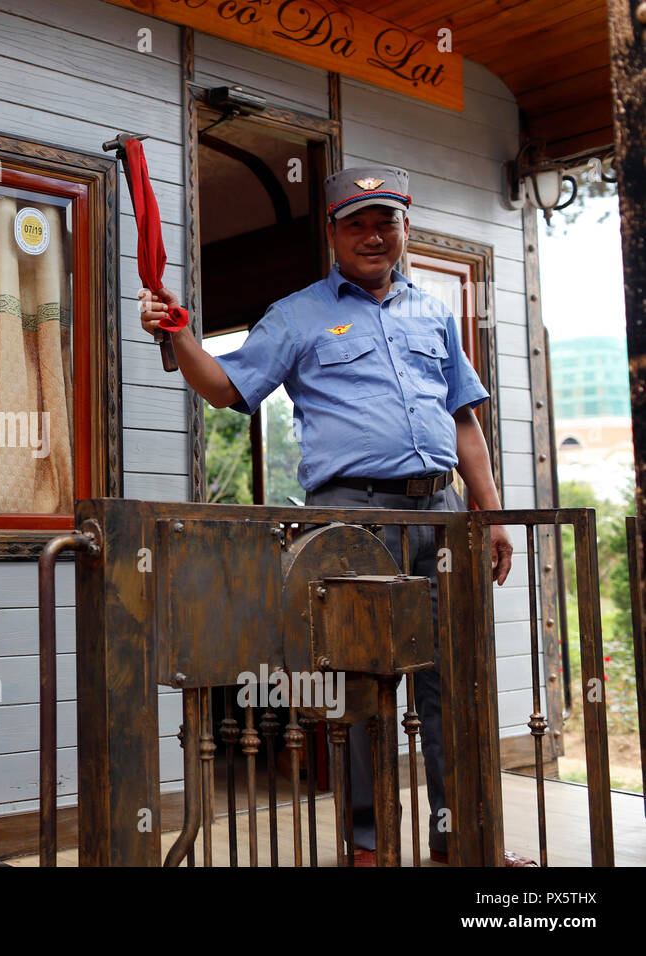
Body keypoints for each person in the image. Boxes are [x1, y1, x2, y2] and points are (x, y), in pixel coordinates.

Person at [140, 164, 534, 867]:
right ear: (331, 234)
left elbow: (465, 421)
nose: (374, 235)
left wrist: (492, 514)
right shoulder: (298, 313)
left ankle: (462, 842)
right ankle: (370, 844)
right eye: (357, 223)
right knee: (361, 687)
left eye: (386, 221)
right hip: (354, 520)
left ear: (405, 228)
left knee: (452, 684)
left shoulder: (434, 313)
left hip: (442, 514)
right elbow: (225, 388)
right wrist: (178, 335)